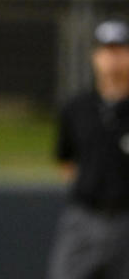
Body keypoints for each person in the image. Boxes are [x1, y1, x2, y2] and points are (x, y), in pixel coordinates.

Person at [47, 19, 129, 279]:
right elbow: (65, 160)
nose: (112, 59)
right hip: (84, 217)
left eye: (119, 50)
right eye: (106, 50)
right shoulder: (77, 108)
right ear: (95, 56)